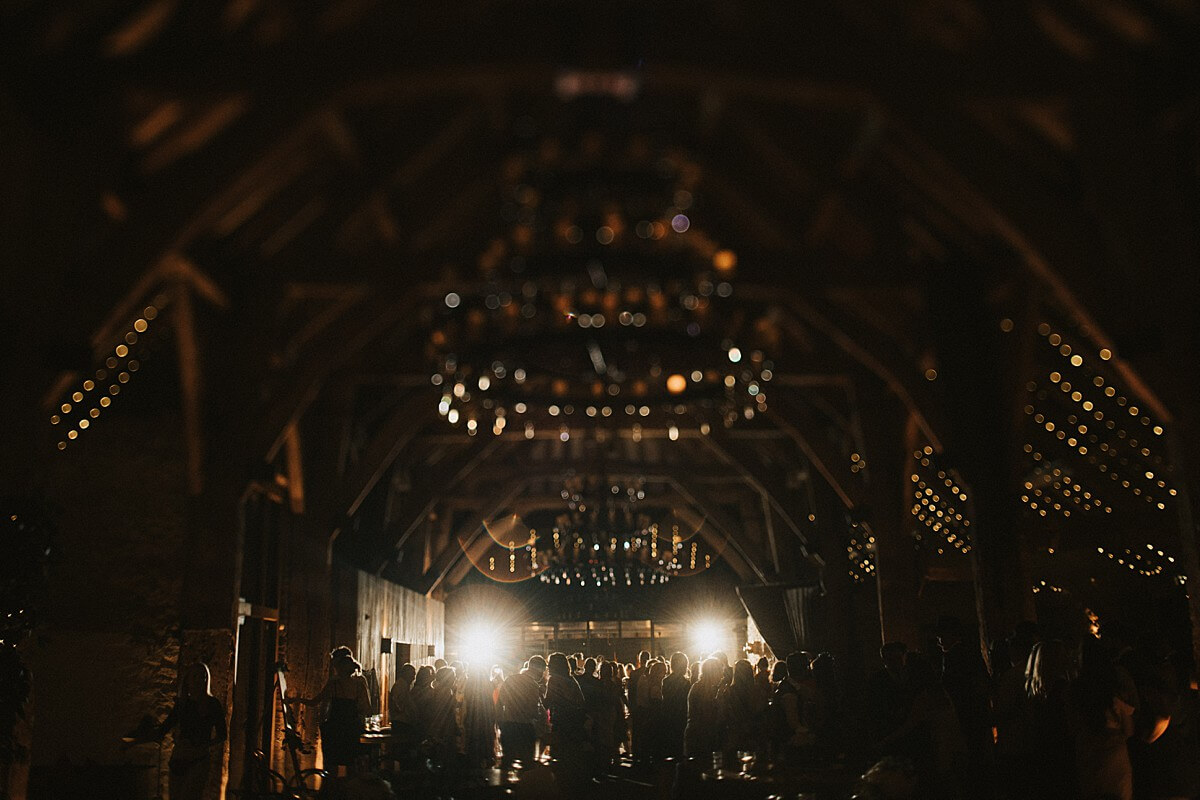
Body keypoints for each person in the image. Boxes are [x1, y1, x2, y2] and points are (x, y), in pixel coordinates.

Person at [878, 653, 966, 800]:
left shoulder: (924, 696)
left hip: (940, 749)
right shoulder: (939, 691)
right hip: (954, 744)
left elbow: (909, 725)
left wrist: (884, 742)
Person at [290, 649, 370, 773]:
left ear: (339, 668)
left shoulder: (334, 683)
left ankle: (330, 789)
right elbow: (366, 708)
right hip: (351, 728)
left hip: (335, 727)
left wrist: (297, 699)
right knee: (351, 764)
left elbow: (315, 701)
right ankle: (349, 790)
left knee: (331, 764)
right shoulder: (359, 684)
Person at [157, 662, 227, 800]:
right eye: (195, 676)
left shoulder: (212, 705)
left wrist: (203, 745)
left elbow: (222, 734)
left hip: (198, 759)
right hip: (179, 757)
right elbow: (165, 727)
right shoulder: (183, 704)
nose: (199, 680)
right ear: (188, 680)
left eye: (202, 677)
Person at [497, 656, 543, 767]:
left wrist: (500, 722)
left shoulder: (510, 679)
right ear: (538, 669)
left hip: (508, 725)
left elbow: (499, 703)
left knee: (507, 762)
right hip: (525, 727)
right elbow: (532, 710)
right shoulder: (533, 685)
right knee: (526, 764)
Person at [718, 659, 765, 755]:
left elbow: (722, 714)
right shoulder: (757, 691)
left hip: (734, 734)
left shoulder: (729, 692)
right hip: (753, 733)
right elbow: (761, 711)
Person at [684, 658, 723, 758]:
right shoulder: (701, 689)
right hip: (699, 737)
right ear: (713, 672)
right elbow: (706, 715)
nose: (722, 676)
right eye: (720, 671)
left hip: (700, 735)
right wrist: (719, 702)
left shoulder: (704, 687)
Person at [462, 666, 498, 770]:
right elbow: (492, 703)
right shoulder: (489, 685)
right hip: (485, 718)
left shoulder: (469, 684)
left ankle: (473, 770)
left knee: (473, 744)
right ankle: (485, 769)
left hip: (472, 718)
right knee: (485, 744)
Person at [635, 661, 667, 760]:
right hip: (653, 721)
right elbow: (656, 705)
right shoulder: (655, 687)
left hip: (645, 718)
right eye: (664, 672)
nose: (665, 675)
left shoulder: (645, 681)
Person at [662, 652, 691, 758]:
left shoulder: (666, 681)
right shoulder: (686, 683)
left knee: (670, 748)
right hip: (681, 717)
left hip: (668, 717)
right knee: (680, 749)